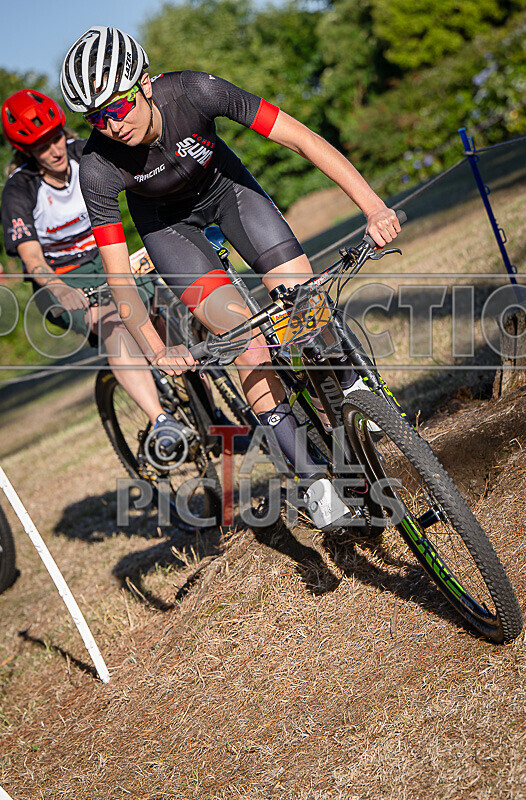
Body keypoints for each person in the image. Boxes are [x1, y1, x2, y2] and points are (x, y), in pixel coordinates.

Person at [60, 25, 401, 529]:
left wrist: (372, 207)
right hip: (170, 230)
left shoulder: (197, 90)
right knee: (248, 344)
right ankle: (314, 480)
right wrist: (157, 351)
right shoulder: (96, 169)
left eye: (118, 105)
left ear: (146, 83)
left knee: (304, 299)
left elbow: (302, 139)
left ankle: (352, 390)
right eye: (95, 117)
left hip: (229, 191)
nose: (111, 125)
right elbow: (118, 276)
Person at [1, 88, 192, 455]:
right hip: (64, 277)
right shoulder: (19, 189)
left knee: (160, 322)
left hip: (107, 260)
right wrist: (58, 288)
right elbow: (31, 258)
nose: (55, 151)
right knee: (114, 322)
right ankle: (161, 422)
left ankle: (202, 407)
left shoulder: (85, 155)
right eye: (42, 147)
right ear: (26, 152)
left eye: (56, 137)